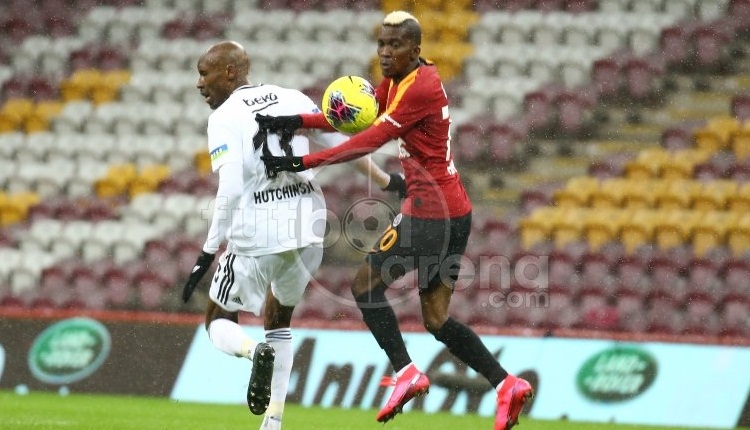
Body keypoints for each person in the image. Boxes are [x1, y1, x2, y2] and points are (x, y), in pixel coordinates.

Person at [259, 11, 533, 430]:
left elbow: (370, 140)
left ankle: (406, 372)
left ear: (415, 49)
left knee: (364, 288)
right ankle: (506, 384)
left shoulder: (418, 88)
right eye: (381, 45)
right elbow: (357, 119)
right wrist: (293, 121)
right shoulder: (401, 81)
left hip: (429, 214)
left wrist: (301, 160)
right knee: (437, 319)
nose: (385, 53)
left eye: (395, 46)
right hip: (455, 211)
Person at [182, 40, 401, 430]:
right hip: (308, 227)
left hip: (258, 233)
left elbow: (230, 188)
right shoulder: (292, 97)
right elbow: (346, 146)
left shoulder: (224, 116)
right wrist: (387, 181)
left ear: (231, 72)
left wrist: (207, 250)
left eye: (205, 73)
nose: (200, 83)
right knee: (279, 317)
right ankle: (274, 421)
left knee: (217, 317)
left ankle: (253, 352)